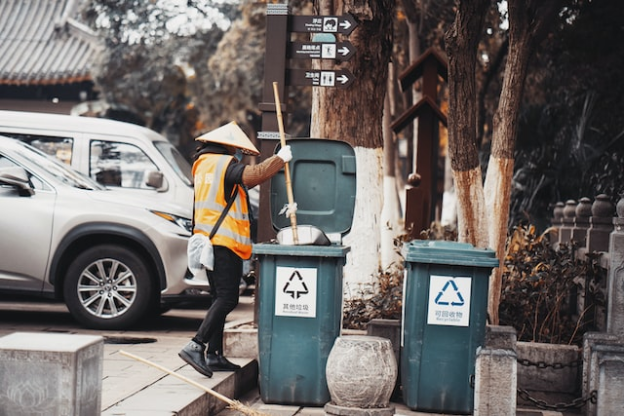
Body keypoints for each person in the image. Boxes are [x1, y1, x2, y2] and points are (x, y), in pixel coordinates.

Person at [179, 121, 292, 377]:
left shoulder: (203, 165)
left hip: (207, 240)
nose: (237, 154)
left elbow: (235, 188)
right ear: (227, 146)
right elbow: (253, 175)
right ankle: (196, 345)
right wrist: (279, 160)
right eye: (236, 149)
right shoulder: (223, 164)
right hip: (223, 243)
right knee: (228, 298)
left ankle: (215, 355)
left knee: (217, 297)